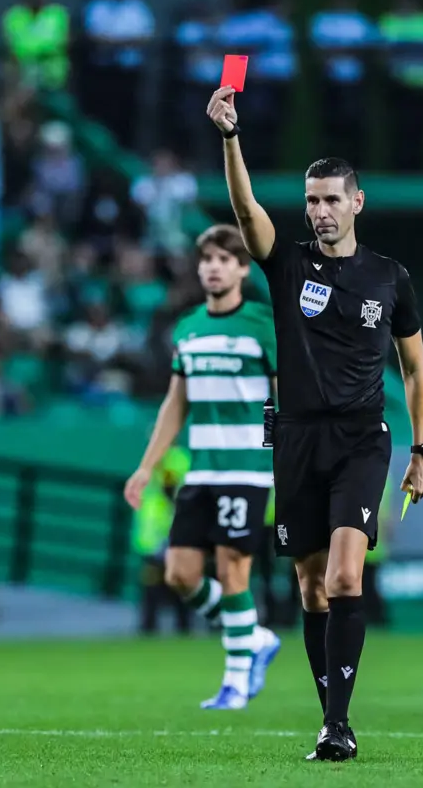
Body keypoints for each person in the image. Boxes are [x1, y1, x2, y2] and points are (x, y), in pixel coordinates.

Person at [206, 85, 423, 761]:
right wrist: (230, 137)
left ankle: (338, 727)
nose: (322, 211)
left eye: (333, 198)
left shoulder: (389, 278)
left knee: (342, 577)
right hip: (297, 439)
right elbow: (246, 211)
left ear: (357, 202)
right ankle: (330, 715)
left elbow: (418, 370)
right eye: (312, 200)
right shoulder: (288, 264)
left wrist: (422, 449)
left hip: (363, 439)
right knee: (309, 584)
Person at [123, 223, 282, 710]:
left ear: (242, 268)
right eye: (207, 259)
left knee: (234, 568)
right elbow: (176, 403)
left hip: (247, 470)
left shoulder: (263, 325)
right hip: (202, 471)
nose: (213, 267)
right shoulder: (189, 328)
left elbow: (282, 399)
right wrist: (146, 467)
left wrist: (280, 457)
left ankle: (235, 682)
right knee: (179, 574)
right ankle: (254, 636)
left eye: (224, 259)